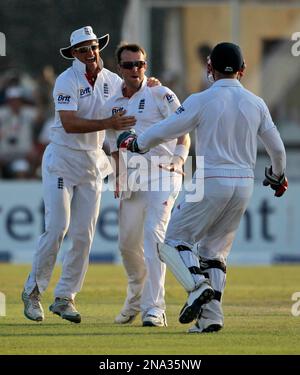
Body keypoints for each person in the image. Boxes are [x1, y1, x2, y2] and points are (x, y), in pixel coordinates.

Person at [117, 42, 288, 333]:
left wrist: (137, 143)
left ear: (209, 68)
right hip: (244, 184)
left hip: (210, 179)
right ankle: (211, 317)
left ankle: (196, 288)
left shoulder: (201, 100)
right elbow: (278, 151)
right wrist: (276, 175)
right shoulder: (256, 103)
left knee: (172, 241)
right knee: (213, 252)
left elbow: (168, 128)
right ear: (243, 70)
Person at [21, 26, 137, 323]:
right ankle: (33, 292)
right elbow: (70, 124)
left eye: (93, 47)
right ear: (74, 53)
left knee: (84, 236)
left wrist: (119, 167)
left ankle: (65, 297)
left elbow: (118, 124)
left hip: (93, 162)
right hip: (62, 158)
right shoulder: (66, 80)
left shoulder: (112, 80)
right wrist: (108, 121)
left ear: (99, 47)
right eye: (83, 49)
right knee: (58, 227)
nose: (90, 53)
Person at [103, 43, 190, 327]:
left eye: (139, 64)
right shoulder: (113, 103)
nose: (135, 70)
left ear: (145, 65)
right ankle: (136, 298)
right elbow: (111, 143)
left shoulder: (160, 93)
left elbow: (184, 129)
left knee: (154, 235)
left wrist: (179, 160)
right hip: (133, 177)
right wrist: (118, 174)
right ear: (119, 69)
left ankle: (155, 308)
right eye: (128, 65)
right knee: (127, 244)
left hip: (164, 173)